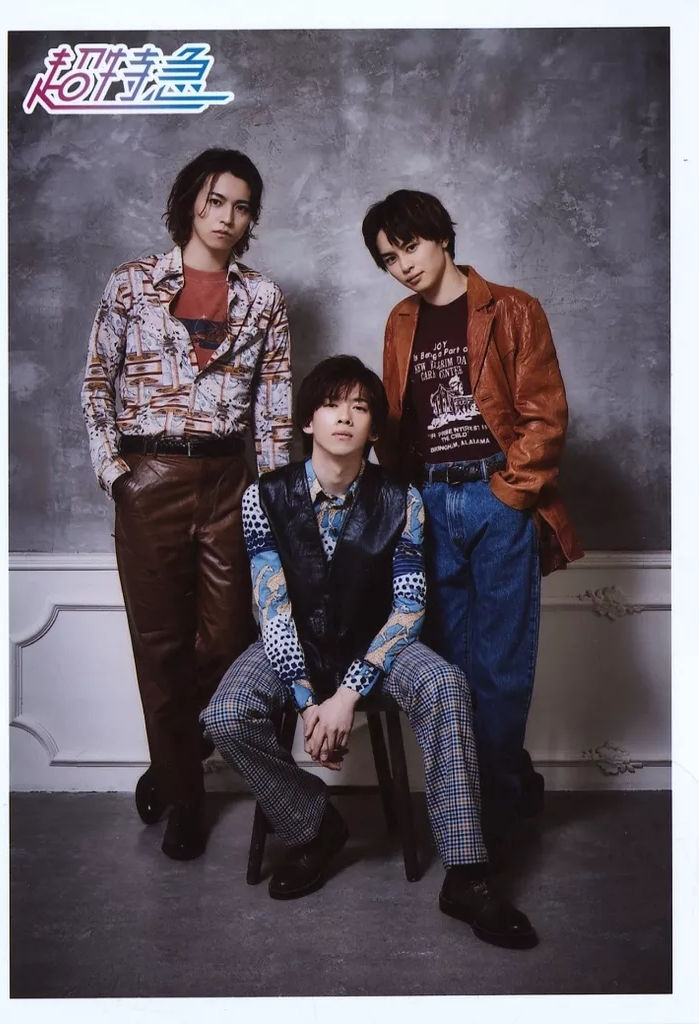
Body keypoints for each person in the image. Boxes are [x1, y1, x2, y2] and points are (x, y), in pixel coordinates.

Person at [202, 355, 538, 949]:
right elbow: (271, 606)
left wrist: (347, 694)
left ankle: (467, 875)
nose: (344, 417)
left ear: (374, 429)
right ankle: (312, 825)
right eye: (332, 404)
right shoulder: (264, 496)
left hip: (379, 643)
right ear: (308, 420)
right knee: (225, 715)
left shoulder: (403, 498)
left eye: (359, 408)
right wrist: (309, 701)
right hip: (294, 642)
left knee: (446, 685)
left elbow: (408, 607)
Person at [80, 149, 292, 861]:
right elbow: (96, 381)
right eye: (216, 200)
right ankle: (186, 796)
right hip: (149, 478)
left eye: (243, 206)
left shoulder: (264, 297)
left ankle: (175, 754)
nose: (228, 217)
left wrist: (272, 495)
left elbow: (275, 408)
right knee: (161, 645)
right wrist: (115, 474)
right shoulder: (132, 282)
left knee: (227, 640)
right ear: (190, 202)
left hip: (230, 481)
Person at [361, 190, 583, 857]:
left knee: (501, 667)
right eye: (388, 258)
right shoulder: (401, 321)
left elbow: (545, 415)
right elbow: (397, 420)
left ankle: (496, 814)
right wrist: (404, 500)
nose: (403, 264)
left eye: (410, 247)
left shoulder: (513, 309)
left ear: (441, 238)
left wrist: (509, 492)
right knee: (450, 668)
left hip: (496, 496)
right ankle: (493, 791)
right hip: (429, 501)